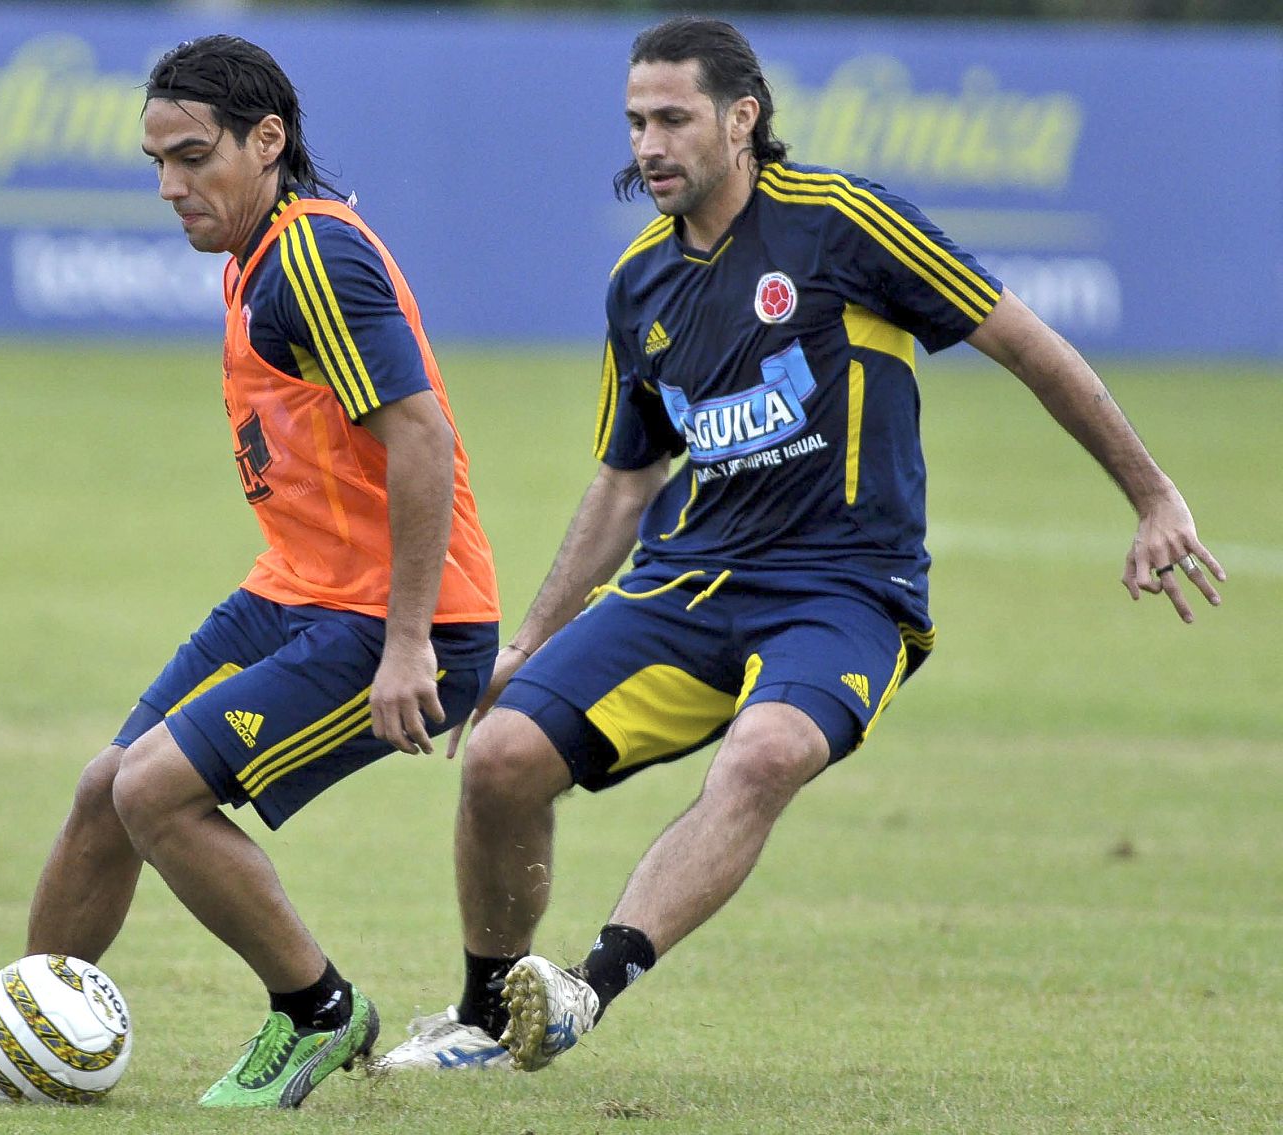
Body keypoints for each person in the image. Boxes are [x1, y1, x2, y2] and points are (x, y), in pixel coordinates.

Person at [380, 15, 1224, 1075]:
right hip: (687, 584)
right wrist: (531, 641)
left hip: (847, 591)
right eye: (636, 122)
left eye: (673, 119)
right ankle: (481, 1019)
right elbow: (627, 479)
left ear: (742, 118)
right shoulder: (639, 282)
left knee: (768, 751)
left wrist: (1152, 494)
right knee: (501, 757)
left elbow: (1023, 341)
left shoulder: (840, 223)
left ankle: (585, 990)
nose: (648, 145)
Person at [0, 35, 500, 1109]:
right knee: (104, 789)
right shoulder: (257, 255)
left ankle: (318, 1009)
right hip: (296, 589)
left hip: (400, 619)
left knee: (153, 792)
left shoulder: (315, 256)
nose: (170, 185)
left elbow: (423, 439)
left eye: (193, 157)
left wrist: (407, 645)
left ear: (269, 140)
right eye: (157, 162)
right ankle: (21, 1049)